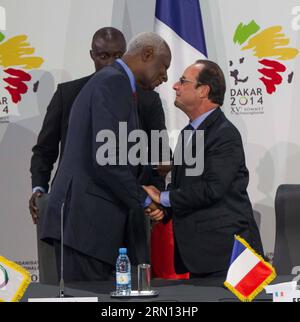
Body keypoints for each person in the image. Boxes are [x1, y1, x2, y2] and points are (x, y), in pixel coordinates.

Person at [40, 32, 171, 282]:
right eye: (163, 67)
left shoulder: (116, 82)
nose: (164, 77)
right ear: (146, 54)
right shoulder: (114, 82)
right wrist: (144, 199)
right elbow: (108, 158)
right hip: (84, 225)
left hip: (90, 226)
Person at [29, 27, 170, 224]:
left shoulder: (148, 99)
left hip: (128, 207)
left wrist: (155, 201)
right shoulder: (68, 94)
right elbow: (45, 150)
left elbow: (159, 154)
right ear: (92, 55)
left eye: (118, 56)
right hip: (74, 207)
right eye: (103, 55)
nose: (111, 62)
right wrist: (39, 189)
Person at [144, 60, 264, 278]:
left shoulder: (224, 134)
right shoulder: (187, 133)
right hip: (200, 256)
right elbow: (185, 187)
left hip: (228, 257)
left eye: (183, 81)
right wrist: (164, 210)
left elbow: (213, 189)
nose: (175, 86)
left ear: (204, 91)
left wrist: (162, 197)